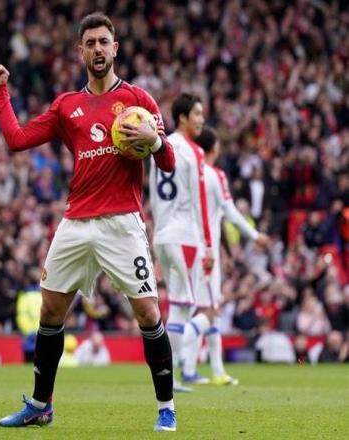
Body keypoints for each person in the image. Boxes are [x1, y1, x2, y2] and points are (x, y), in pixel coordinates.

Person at [0, 12, 177, 432]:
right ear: (81, 52)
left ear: (115, 48)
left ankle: (166, 407)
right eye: (90, 43)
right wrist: (1, 91)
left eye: (103, 42)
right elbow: (17, 139)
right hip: (75, 222)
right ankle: (41, 405)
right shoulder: (67, 106)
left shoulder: (140, 102)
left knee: (148, 313)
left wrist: (155, 141)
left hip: (122, 223)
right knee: (50, 310)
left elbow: (169, 163)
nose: (97, 49)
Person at [193, 127, 269, 383]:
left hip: (188, 245)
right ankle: (188, 361)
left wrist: (225, 251)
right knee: (210, 308)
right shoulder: (215, 175)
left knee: (200, 307)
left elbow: (216, 218)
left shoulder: (189, 173)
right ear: (214, 148)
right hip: (207, 250)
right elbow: (231, 214)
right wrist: (254, 235)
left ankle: (207, 369)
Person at [149, 93, 215, 389]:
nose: (201, 119)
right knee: (183, 305)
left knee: (178, 304)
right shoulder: (194, 152)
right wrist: (209, 246)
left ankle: (171, 371)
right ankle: (171, 370)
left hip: (163, 234)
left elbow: (153, 195)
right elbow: (200, 203)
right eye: (197, 114)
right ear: (183, 117)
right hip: (185, 235)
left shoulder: (159, 145)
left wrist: (155, 238)